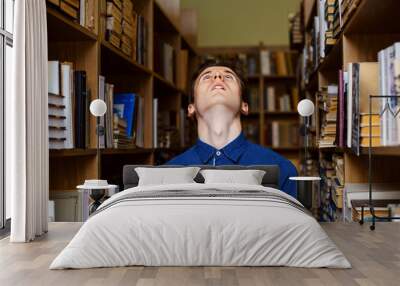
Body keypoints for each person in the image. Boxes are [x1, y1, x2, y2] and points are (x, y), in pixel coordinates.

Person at [166, 59, 298, 198]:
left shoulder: (282, 170)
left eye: (228, 76)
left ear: (244, 106)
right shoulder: (167, 174)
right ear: (191, 108)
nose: (218, 77)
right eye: (207, 77)